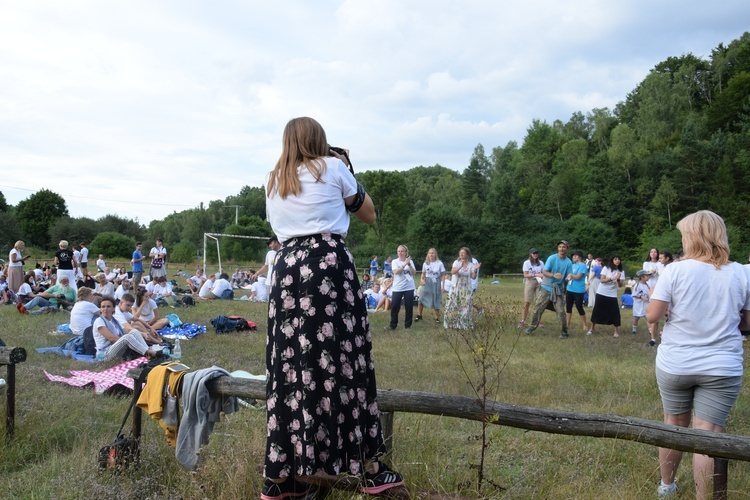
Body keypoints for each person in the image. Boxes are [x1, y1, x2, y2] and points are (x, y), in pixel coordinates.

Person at [262, 117, 403, 498]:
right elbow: (369, 213)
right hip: (327, 265)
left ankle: (289, 470)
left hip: (288, 269)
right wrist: (349, 169)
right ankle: (366, 466)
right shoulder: (336, 168)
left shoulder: (274, 179)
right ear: (321, 141)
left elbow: (280, 231)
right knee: (342, 360)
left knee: (293, 365)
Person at [645, 210, 750, 499]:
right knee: (708, 435)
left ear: (690, 237)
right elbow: (748, 323)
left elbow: (653, 316)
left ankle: (667, 487)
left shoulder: (674, 270)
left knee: (674, 425)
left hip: (676, 362)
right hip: (722, 365)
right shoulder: (743, 272)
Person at [525, 240, 572, 338]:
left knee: (560, 311)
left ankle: (564, 333)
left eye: (564, 247)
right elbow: (544, 272)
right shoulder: (552, 258)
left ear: (567, 248)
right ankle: (531, 327)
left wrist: (569, 277)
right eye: (560, 246)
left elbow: (569, 273)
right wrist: (554, 275)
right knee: (538, 308)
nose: (561, 248)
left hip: (558, 289)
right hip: (546, 287)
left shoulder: (568, 262)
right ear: (558, 248)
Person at [93, 297, 157, 361]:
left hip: (115, 349)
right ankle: (149, 353)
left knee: (134, 331)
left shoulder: (114, 321)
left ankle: (148, 352)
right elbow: (112, 338)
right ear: (100, 309)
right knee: (126, 338)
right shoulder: (99, 321)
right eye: (103, 307)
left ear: (113, 308)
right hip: (105, 354)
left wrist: (143, 334)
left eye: (108, 306)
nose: (105, 309)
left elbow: (127, 330)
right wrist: (130, 342)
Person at [444, 247, 481, 330]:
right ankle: (451, 323)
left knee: (466, 305)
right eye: (460, 253)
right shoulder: (456, 262)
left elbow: (473, 277)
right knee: (452, 304)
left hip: (466, 288)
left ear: (467, 255)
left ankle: (464, 324)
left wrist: (475, 269)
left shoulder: (471, 265)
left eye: (463, 253)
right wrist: (460, 266)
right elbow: (453, 272)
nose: (461, 254)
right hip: (455, 287)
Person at [589, 255, 625, 337]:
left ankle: (616, 332)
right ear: (612, 260)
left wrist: (618, 279)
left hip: (612, 294)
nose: (617, 261)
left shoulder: (621, 271)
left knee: (615, 312)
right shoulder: (606, 268)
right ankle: (592, 329)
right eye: (615, 259)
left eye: (619, 259)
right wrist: (612, 278)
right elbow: (602, 280)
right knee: (597, 310)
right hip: (602, 292)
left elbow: (620, 285)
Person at [389, 245, 417, 330]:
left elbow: (413, 273)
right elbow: (396, 272)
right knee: (395, 306)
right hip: (397, 287)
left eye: (402, 251)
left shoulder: (410, 261)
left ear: (406, 252)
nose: (400, 253)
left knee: (409, 307)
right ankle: (393, 325)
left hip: (409, 287)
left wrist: (409, 265)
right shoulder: (395, 261)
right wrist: (405, 264)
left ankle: (408, 325)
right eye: (399, 251)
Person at [416, 248, 445, 323]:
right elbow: (423, 273)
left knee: (436, 298)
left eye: (433, 253)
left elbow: (443, 275)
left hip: (436, 281)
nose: (431, 255)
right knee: (421, 297)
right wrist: (422, 279)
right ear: (428, 255)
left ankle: (437, 318)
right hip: (427, 281)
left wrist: (443, 285)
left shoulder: (439, 263)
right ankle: (419, 315)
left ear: (435, 255)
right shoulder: (425, 263)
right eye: (430, 253)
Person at [519, 248, 545, 328]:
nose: (535, 254)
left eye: (536, 253)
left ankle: (538, 320)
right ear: (530, 254)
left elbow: (544, 273)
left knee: (539, 302)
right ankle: (523, 320)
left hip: (540, 282)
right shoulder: (527, 263)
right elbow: (525, 275)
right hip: (530, 281)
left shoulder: (541, 263)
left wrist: (542, 275)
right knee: (527, 302)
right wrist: (535, 275)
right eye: (533, 253)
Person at [565, 250, 589, 333]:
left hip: (578, 290)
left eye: (576, 255)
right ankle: (567, 324)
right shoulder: (571, 265)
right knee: (568, 306)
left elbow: (578, 277)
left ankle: (584, 324)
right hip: (570, 289)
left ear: (580, 257)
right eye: (573, 256)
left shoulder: (582, 266)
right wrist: (567, 277)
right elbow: (567, 276)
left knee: (579, 306)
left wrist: (571, 275)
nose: (574, 257)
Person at [632, 270, 651, 336]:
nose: (649, 277)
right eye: (647, 276)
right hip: (639, 304)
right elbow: (634, 294)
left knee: (647, 317)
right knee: (636, 317)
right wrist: (640, 296)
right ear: (642, 277)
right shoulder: (637, 285)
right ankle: (634, 329)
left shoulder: (647, 285)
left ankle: (650, 331)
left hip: (645, 304)